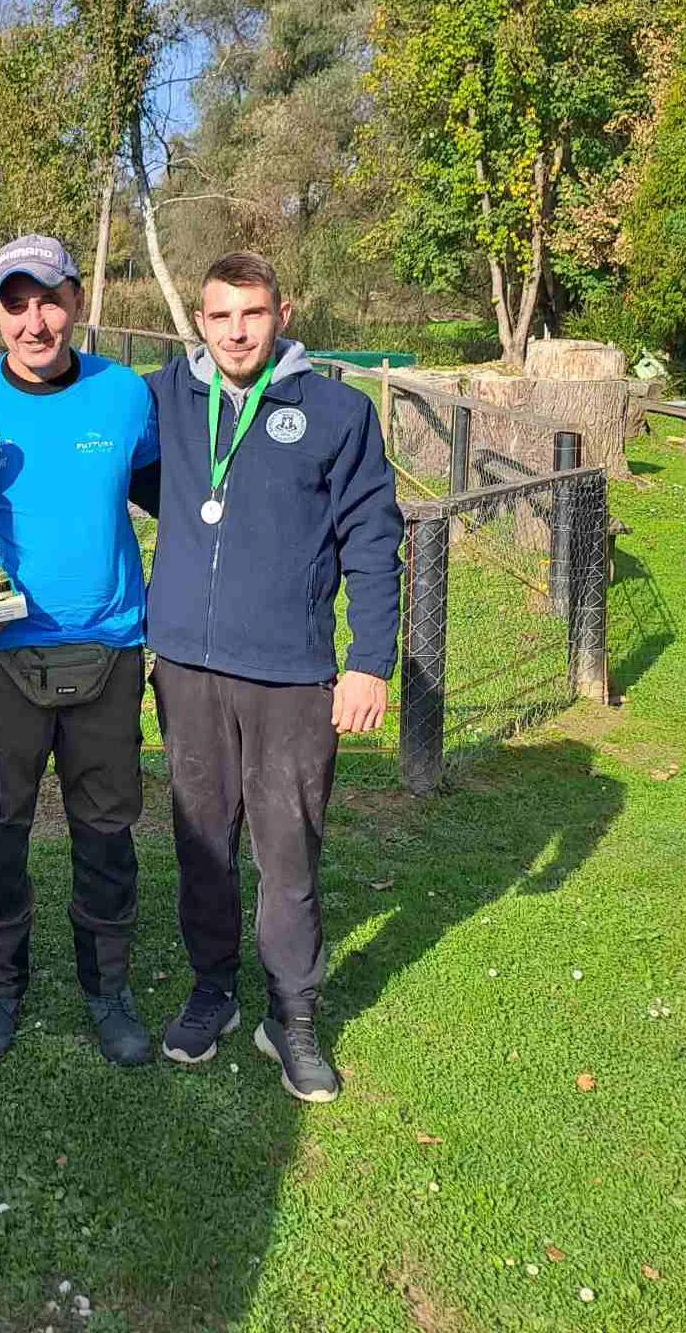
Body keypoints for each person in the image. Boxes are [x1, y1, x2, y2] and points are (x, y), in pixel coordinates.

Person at [141, 250, 402, 1103]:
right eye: (219, 316)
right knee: (200, 842)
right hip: (185, 666)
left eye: (252, 313)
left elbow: (371, 538)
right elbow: (66, 387)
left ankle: (290, 1016)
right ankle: (213, 991)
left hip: (293, 675)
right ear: (201, 323)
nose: (236, 331)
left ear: (282, 313)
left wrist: (367, 662)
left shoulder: (336, 411)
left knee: (287, 853)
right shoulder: (166, 398)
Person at [0, 235, 161, 1066]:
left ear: (77, 302)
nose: (37, 319)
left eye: (51, 297)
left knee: (106, 833)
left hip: (108, 649)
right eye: (17, 301)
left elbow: (168, 490)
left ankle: (108, 990)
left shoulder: (126, 396)